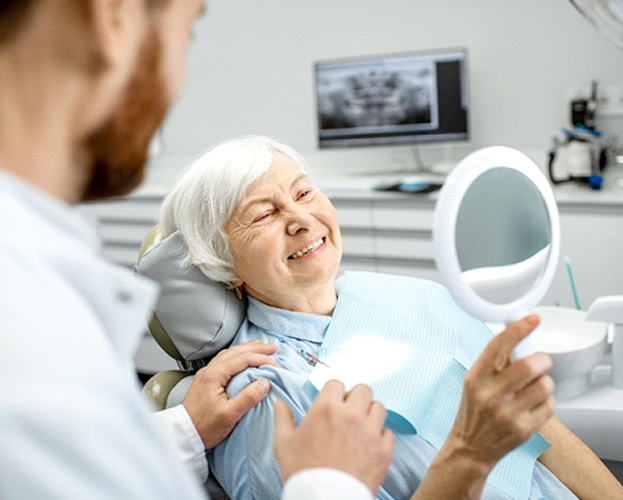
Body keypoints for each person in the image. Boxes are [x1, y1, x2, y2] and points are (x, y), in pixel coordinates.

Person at [0, 2, 394, 498]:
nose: (300, 220)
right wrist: (328, 483)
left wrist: (186, 429)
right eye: (188, 30)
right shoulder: (28, 346)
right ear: (113, 17)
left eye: (302, 192)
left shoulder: (35, 306)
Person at [159, 134, 623, 499]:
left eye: (303, 191)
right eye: (263, 215)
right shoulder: (262, 393)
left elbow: (540, 429)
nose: (301, 218)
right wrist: (470, 454)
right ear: (224, 262)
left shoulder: (412, 295)